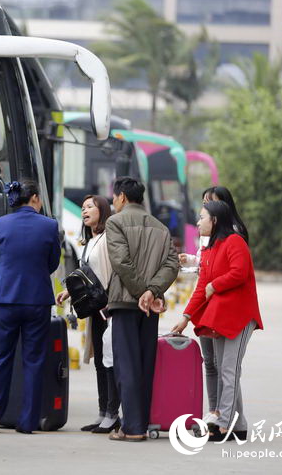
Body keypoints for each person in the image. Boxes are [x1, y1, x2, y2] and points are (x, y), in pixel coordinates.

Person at [171, 200, 263, 442]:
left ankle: (224, 423)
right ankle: (239, 424)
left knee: (229, 371)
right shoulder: (209, 250)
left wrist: (215, 284)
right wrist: (185, 318)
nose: (198, 222)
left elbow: (239, 272)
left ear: (215, 220)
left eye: (202, 217)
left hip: (241, 317)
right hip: (221, 318)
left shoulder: (234, 241)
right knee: (225, 370)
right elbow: (201, 288)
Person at [0, 180, 61, 434]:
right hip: (37, 300)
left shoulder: (1, 223)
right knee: (34, 361)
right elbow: (53, 262)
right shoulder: (50, 226)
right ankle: (27, 423)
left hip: (5, 299)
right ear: (35, 198)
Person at [105, 177, 179, 442]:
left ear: (122, 197)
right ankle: (140, 422)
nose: (113, 202)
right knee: (145, 364)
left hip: (126, 303)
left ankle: (133, 428)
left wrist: (141, 294)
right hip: (149, 306)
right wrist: (152, 292)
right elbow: (172, 264)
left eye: (114, 197)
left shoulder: (115, 223)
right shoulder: (160, 227)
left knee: (126, 366)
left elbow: (121, 262)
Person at [57, 195, 120, 433]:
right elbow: (88, 279)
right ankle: (103, 411)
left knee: (109, 361)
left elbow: (110, 274)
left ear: (102, 210)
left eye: (90, 207)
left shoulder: (107, 239)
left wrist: (110, 302)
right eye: (82, 208)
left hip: (107, 309)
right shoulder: (89, 241)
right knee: (99, 363)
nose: (84, 211)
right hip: (95, 308)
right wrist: (69, 294)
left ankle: (113, 414)